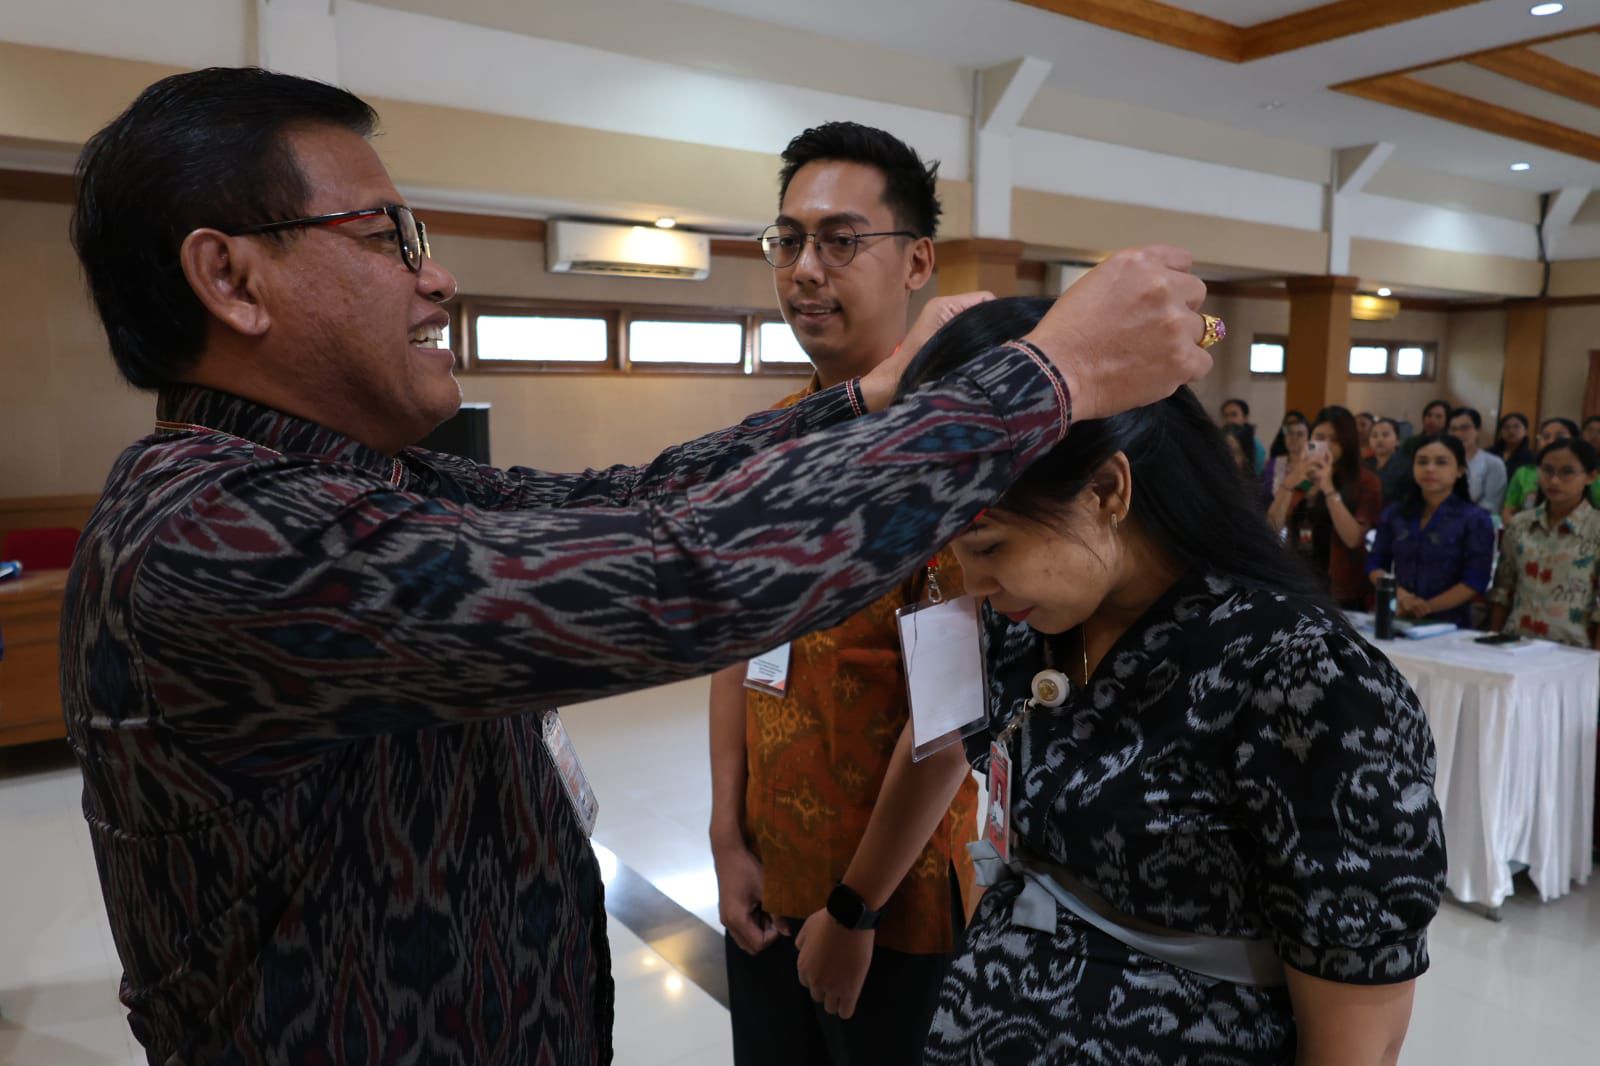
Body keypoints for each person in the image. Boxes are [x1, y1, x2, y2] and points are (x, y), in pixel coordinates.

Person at [62, 68, 1214, 1064]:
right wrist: (1042, 381)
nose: (435, 277)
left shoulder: (354, 480)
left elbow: (629, 504)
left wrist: (868, 402)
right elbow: (669, 578)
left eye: (841, 241)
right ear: (229, 277)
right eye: (385, 237)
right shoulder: (210, 533)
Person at [884, 297, 1444, 1064]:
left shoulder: (1304, 683)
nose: (969, 582)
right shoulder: (1029, 629)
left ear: (1109, 491)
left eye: (987, 544)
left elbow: (1359, 1034)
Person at [708, 121, 978, 1065]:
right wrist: (724, 834)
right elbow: (733, 640)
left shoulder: (950, 451)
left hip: (891, 903)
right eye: (789, 240)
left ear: (917, 262)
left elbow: (948, 720)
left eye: (840, 240)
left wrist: (855, 908)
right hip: (766, 866)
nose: (805, 270)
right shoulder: (772, 438)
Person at [1367, 435, 1495, 628]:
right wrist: (1402, 596)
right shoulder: (1395, 513)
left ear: (1459, 470)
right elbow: (1375, 563)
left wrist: (1426, 607)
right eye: (1422, 462)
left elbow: (1476, 579)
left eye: (1441, 462)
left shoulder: (1475, 519)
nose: (1430, 468)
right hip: (1397, 614)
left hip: (1450, 623)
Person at [1268, 407, 1383, 609]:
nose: (1327, 445)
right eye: (1320, 437)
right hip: (1298, 583)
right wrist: (1290, 482)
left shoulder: (1366, 482)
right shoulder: (1300, 478)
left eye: (1335, 439)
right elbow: (1271, 529)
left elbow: (1353, 538)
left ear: (1348, 443)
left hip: (1342, 591)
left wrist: (1327, 487)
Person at [1490, 438, 1600, 649]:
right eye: (1547, 470)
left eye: (1567, 472)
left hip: (1574, 647)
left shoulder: (1596, 527)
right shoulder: (1520, 524)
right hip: (1516, 642)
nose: (1554, 481)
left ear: (1590, 476)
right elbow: (1503, 589)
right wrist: (1494, 636)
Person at [1503, 417, 1580, 522]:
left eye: (1560, 436)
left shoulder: (1585, 474)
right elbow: (1508, 511)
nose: (1551, 441)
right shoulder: (1524, 472)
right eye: (1545, 437)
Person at [1449, 406, 1507, 513]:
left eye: (1465, 428)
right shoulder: (1443, 461)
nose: (1458, 434)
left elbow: (1492, 505)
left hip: (1475, 522)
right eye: (1453, 429)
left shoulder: (1493, 463)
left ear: (1478, 429)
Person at [1259, 411, 1308, 506]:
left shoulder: (1312, 466)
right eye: (1290, 433)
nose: (1294, 437)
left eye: (1300, 434)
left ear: (1307, 438)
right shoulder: (1272, 464)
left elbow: (1306, 493)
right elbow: (1263, 494)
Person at [1364, 416, 1411, 504]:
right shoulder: (1365, 463)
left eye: (1385, 435)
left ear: (1398, 440)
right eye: (1374, 435)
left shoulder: (1407, 465)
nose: (1379, 439)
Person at [1220, 397, 1266, 473]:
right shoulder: (1220, 439)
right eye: (1225, 416)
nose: (1229, 420)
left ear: (1245, 418)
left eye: (1234, 415)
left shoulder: (1256, 447)